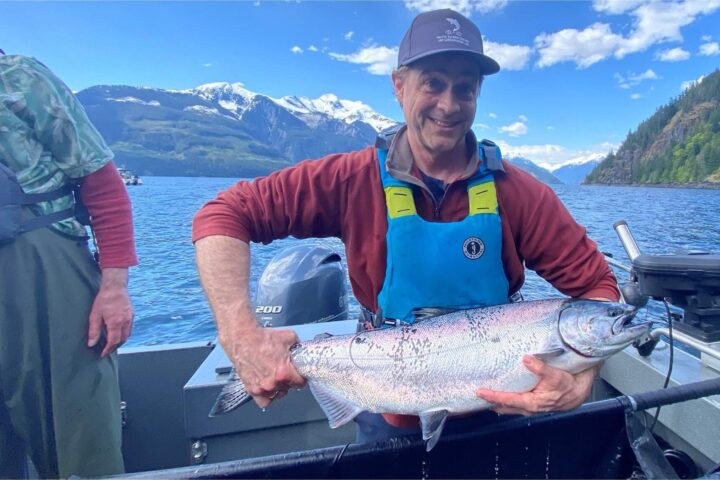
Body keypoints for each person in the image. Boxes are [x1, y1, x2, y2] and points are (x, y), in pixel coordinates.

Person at [192, 8, 619, 444]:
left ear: (478, 95)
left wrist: (583, 378)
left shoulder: (520, 192)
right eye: (433, 82)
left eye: (464, 89)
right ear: (399, 85)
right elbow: (223, 215)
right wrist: (240, 333)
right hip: (387, 410)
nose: (449, 105)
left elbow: (601, 288)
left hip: (504, 418)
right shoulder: (349, 179)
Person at [0, 52, 137, 477]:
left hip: (44, 268)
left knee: (80, 436)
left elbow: (103, 186)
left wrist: (113, 289)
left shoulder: (20, 78)